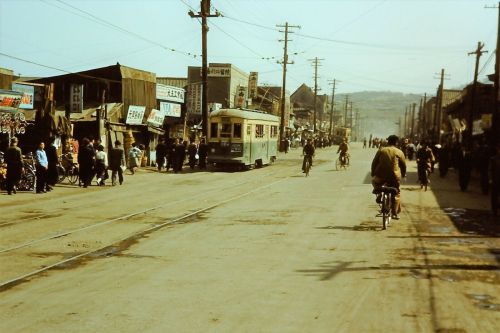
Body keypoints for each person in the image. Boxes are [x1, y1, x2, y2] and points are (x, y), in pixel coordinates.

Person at [371, 135, 407, 219]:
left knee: (374, 181)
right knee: (397, 193)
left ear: (388, 141)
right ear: (396, 142)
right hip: (394, 177)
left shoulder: (381, 150)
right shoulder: (399, 152)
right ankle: (395, 213)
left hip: (380, 176)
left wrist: (373, 173)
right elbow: (403, 166)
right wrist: (404, 174)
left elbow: (374, 163)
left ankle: (379, 193)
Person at [490, 142, 500, 216]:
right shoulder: (493, 159)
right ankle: (494, 210)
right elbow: (490, 170)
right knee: (494, 196)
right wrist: (490, 179)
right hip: (495, 180)